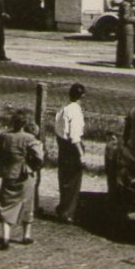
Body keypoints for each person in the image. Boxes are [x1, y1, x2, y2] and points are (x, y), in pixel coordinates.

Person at [0, 111, 41, 249]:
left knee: (6, 203)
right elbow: (39, 157)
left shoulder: (4, 136)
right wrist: (32, 165)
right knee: (27, 203)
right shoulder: (30, 139)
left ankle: (5, 237)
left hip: (8, 174)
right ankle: (26, 235)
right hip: (25, 174)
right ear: (26, 124)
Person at [53, 83, 87, 223]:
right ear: (82, 96)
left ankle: (62, 207)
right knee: (74, 181)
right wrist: (81, 155)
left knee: (64, 179)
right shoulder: (76, 112)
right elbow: (75, 137)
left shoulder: (63, 109)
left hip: (62, 146)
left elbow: (57, 128)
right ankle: (68, 212)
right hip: (72, 148)